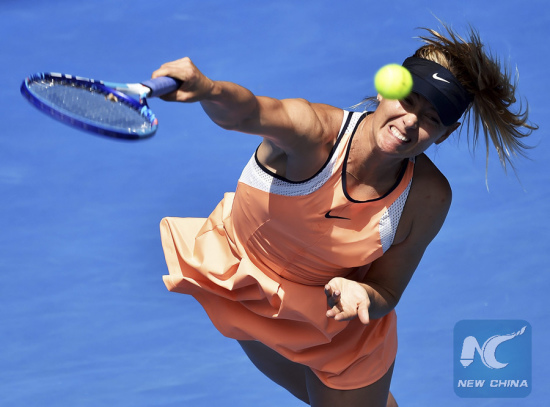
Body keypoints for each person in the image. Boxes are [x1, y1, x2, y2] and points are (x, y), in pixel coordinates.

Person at [153, 23, 536, 407]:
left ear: (445, 134)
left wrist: (363, 295)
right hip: (244, 289)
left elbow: (388, 289)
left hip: (339, 325)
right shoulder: (313, 133)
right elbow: (248, 112)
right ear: (386, 90)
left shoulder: (427, 198)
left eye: (431, 118)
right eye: (408, 100)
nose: (410, 121)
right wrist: (209, 89)